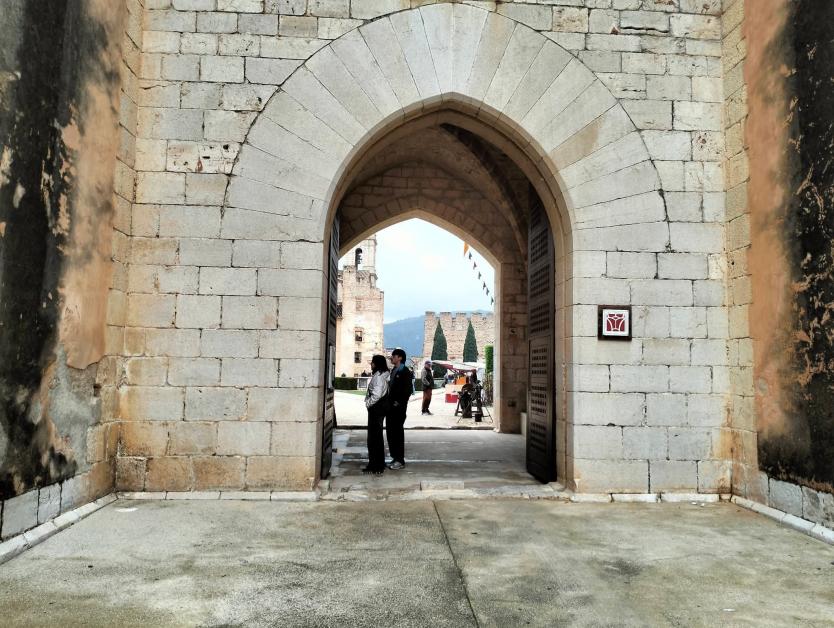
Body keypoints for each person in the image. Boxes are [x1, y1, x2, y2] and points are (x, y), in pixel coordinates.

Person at [386, 348, 413, 470]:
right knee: (390, 433)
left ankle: (400, 460)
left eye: (394, 356)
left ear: (400, 358)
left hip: (398, 408)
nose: (392, 357)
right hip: (390, 407)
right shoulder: (394, 370)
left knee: (397, 434)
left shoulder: (405, 371)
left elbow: (407, 390)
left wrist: (398, 403)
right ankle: (394, 457)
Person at [363, 355, 389, 475]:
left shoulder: (378, 377)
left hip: (376, 409)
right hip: (378, 409)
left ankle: (376, 465)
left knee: (374, 438)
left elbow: (377, 395)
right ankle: (377, 463)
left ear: (376, 364)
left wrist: (368, 403)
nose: (371, 364)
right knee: (376, 437)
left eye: (372, 362)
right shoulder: (381, 375)